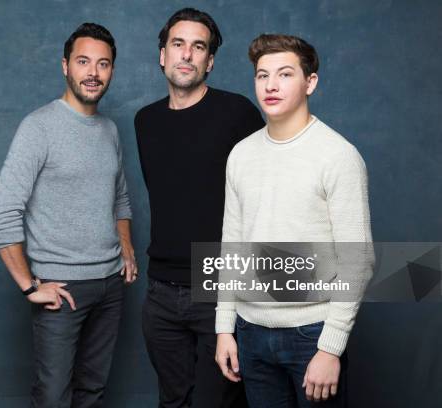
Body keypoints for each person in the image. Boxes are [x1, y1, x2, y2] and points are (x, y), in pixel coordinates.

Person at [215, 34, 374, 407]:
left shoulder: (338, 156)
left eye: (285, 74)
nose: (271, 85)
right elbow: (231, 246)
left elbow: (358, 261)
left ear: (310, 82)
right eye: (261, 75)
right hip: (249, 334)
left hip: (312, 336)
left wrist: (331, 348)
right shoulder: (241, 155)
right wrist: (225, 328)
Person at [0, 23, 136, 408]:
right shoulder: (38, 127)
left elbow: (119, 197)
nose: (93, 72)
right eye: (83, 62)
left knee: (93, 392)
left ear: (112, 72)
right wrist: (29, 286)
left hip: (110, 287)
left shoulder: (109, 130)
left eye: (103, 64)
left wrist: (127, 250)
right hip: (62, 290)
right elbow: (2, 211)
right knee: (54, 397)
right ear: (65, 66)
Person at [134, 8, 264, 407]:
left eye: (198, 47)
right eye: (178, 44)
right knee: (173, 400)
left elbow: (265, 196)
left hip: (218, 290)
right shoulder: (146, 121)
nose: (186, 55)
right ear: (162, 55)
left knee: (220, 401)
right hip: (159, 293)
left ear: (209, 61)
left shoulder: (237, 113)